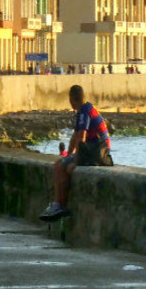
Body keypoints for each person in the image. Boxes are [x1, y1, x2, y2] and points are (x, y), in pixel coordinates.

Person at [39, 84, 113, 221]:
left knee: (59, 166)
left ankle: (59, 205)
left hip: (95, 152)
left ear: (72, 98)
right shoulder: (86, 109)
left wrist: (75, 161)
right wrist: (69, 154)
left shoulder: (84, 111)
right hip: (98, 150)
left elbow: (81, 137)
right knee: (62, 163)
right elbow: (75, 136)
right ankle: (58, 204)